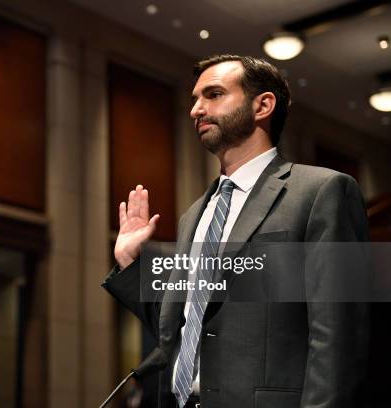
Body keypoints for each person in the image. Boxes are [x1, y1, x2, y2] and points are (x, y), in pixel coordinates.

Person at [102, 55, 369, 408]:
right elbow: (180, 328)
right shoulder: (195, 215)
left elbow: (339, 336)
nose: (197, 109)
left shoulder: (322, 191)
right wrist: (130, 263)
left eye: (213, 95)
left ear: (263, 105)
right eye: (195, 99)